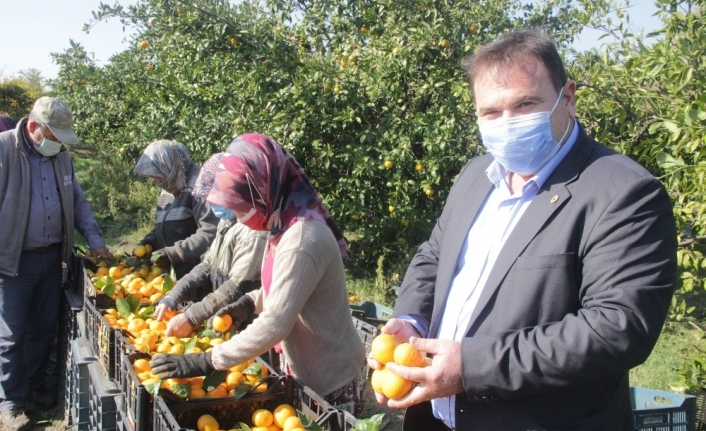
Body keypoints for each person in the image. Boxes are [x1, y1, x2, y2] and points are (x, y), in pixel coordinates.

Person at [369, 30, 678, 431]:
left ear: (567, 97)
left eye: (526, 104)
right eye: (491, 112)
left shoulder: (623, 192)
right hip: (434, 417)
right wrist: (412, 320)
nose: (507, 123)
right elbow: (433, 257)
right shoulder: (475, 176)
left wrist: (472, 366)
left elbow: (617, 328)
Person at [151, 134, 366, 415]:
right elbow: (283, 290)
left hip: (331, 378)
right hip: (306, 371)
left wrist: (206, 361)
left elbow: (277, 322)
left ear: (263, 187)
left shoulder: (301, 238)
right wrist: (250, 303)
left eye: (240, 206)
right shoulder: (281, 225)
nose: (237, 217)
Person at [0, 97, 112, 430]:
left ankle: (34, 385)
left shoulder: (60, 157)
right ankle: (11, 403)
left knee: (42, 329)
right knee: (11, 335)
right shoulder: (5, 151)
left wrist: (96, 241)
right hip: (13, 261)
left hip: (51, 258)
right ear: (34, 128)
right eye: (54, 136)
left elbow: (77, 201)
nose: (59, 143)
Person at [154, 153, 268, 337]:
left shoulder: (254, 231)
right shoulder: (227, 222)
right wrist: (175, 295)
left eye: (215, 196)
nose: (212, 202)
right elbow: (208, 266)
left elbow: (237, 288)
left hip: (245, 327)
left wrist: (191, 318)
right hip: (224, 323)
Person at [133, 140, 219, 280]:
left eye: (157, 173)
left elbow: (209, 233)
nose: (155, 181)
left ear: (168, 165)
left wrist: (174, 253)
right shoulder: (171, 186)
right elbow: (163, 226)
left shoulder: (199, 187)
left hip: (198, 279)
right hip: (174, 278)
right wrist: (149, 242)